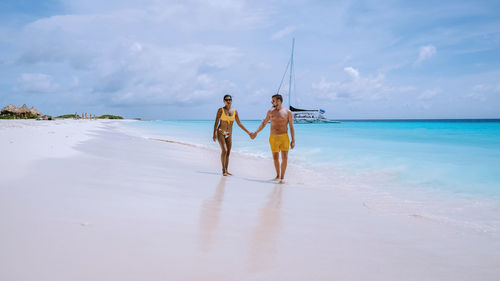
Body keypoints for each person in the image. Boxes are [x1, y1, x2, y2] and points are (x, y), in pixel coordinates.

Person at [251, 94, 295, 183]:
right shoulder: (270, 112)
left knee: (285, 158)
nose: (272, 102)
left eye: (273, 101)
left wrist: (293, 140)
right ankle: (277, 175)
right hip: (273, 137)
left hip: (284, 137)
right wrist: (256, 132)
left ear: (279, 101)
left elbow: (291, 127)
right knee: (275, 158)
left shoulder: (288, 112)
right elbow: (264, 123)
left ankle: (282, 178)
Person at [213, 94, 252, 176]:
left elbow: (239, 123)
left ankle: (226, 170)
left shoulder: (234, 111)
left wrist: (248, 132)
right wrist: (214, 134)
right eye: (226, 99)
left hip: (229, 133)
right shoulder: (221, 110)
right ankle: (223, 170)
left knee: (228, 152)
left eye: (230, 99)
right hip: (220, 131)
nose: (228, 101)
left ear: (231, 101)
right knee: (224, 150)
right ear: (224, 101)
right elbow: (216, 122)